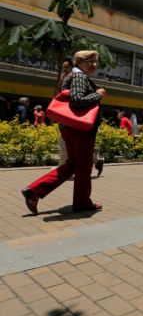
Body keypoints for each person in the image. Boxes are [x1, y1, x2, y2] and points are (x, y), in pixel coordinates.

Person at [20, 50, 106, 214]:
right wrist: (97, 94)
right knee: (84, 168)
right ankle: (82, 203)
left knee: (72, 165)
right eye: (90, 61)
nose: (94, 65)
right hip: (80, 130)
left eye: (96, 62)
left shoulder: (70, 76)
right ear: (79, 61)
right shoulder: (80, 77)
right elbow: (77, 101)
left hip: (70, 128)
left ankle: (34, 191)